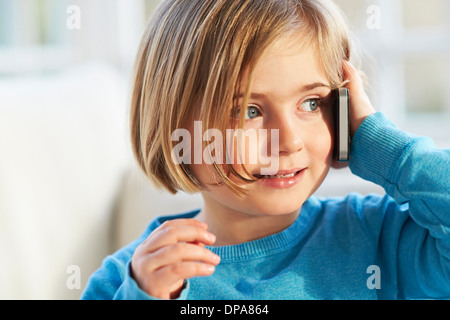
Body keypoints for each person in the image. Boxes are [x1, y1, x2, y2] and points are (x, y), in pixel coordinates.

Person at [81, 0, 450, 300]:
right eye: (248, 112)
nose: (288, 141)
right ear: (173, 124)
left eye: (311, 103)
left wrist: (377, 143)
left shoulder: (380, 239)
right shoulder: (131, 279)